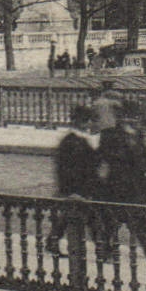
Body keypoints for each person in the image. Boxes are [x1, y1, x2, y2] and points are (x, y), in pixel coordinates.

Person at [96, 95, 146, 252]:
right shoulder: (109, 135)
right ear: (122, 118)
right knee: (111, 221)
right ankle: (106, 249)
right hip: (117, 184)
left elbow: (145, 157)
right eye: (131, 117)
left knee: (142, 218)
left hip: (138, 185)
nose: (134, 121)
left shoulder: (138, 135)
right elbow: (103, 157)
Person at [50, 104, 100, 253]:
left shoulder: (75, 139)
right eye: (87, 121)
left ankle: (51, 243)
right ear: (81, 122)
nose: (89, 124)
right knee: (92, 219)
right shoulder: (72, 141)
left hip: (80, 187)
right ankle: (102, 249)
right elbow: (66, 168)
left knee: (68, 218)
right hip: (77, 188)